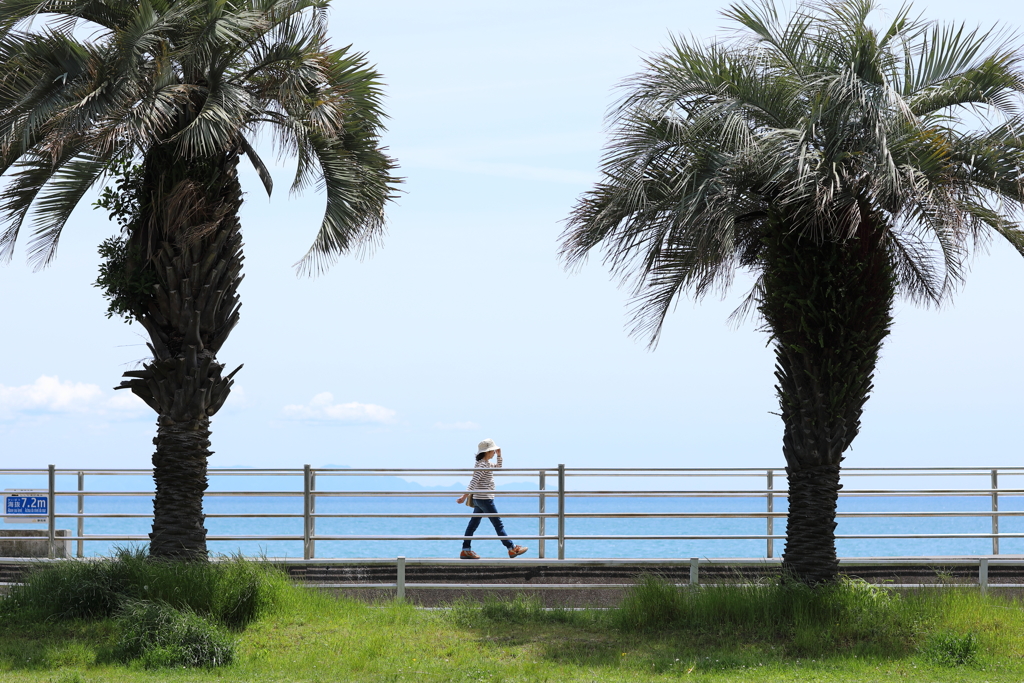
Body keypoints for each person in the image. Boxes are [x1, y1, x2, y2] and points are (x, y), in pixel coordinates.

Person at [456, 438, 528, 559]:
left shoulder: (485, 463)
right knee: (498, 524)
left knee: (473, 525)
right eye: (493, 451)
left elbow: (498, 467)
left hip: (480, 499)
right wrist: (464, 496)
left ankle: (465, 550)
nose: (494, 452)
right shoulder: (483, 465)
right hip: (485, 499)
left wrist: (500, 455)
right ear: (487, 452)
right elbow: (473, 481)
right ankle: (511, 548)